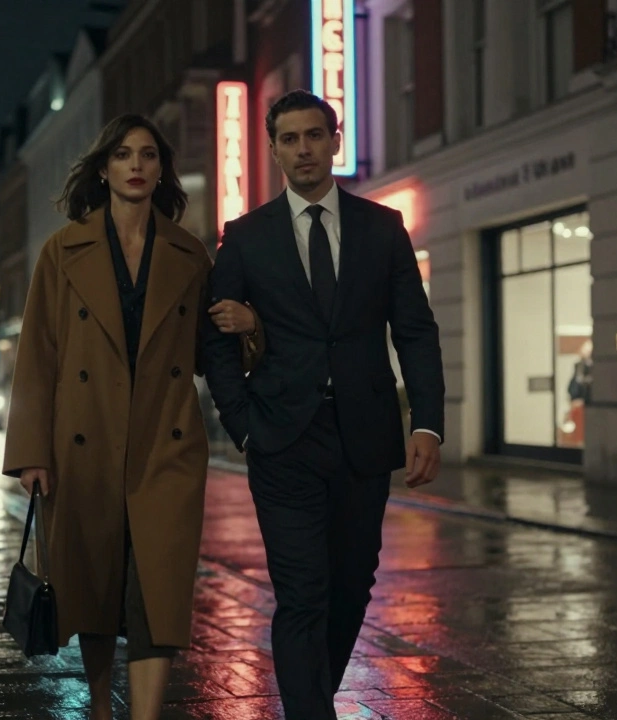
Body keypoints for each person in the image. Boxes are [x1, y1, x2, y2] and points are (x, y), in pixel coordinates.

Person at [1, 114, 259, 720]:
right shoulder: (62, 251)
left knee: (157, 589)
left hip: (163, 445)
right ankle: (98, 704)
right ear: (104, 169)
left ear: (162, 169)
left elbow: (206, 351)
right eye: (123, 155)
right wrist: (32, 452)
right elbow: (37, 355)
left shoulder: (189, 253)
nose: (137, 165)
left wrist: (254, 331)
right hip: (81, 445)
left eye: (148, 155)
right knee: (94, 583)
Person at [201, 89, 446, 719]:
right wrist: (242, 426)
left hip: (364, 435)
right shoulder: (246, 237)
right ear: (275, 149)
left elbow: (414, 330)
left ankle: (314, 698)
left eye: (315, 135)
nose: (304, 149)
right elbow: (215, 339)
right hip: (282, 439)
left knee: (351, 587)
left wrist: (429, 424)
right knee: (302, 592)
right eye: (290, 138)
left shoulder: (382, 228)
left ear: (335, 140)